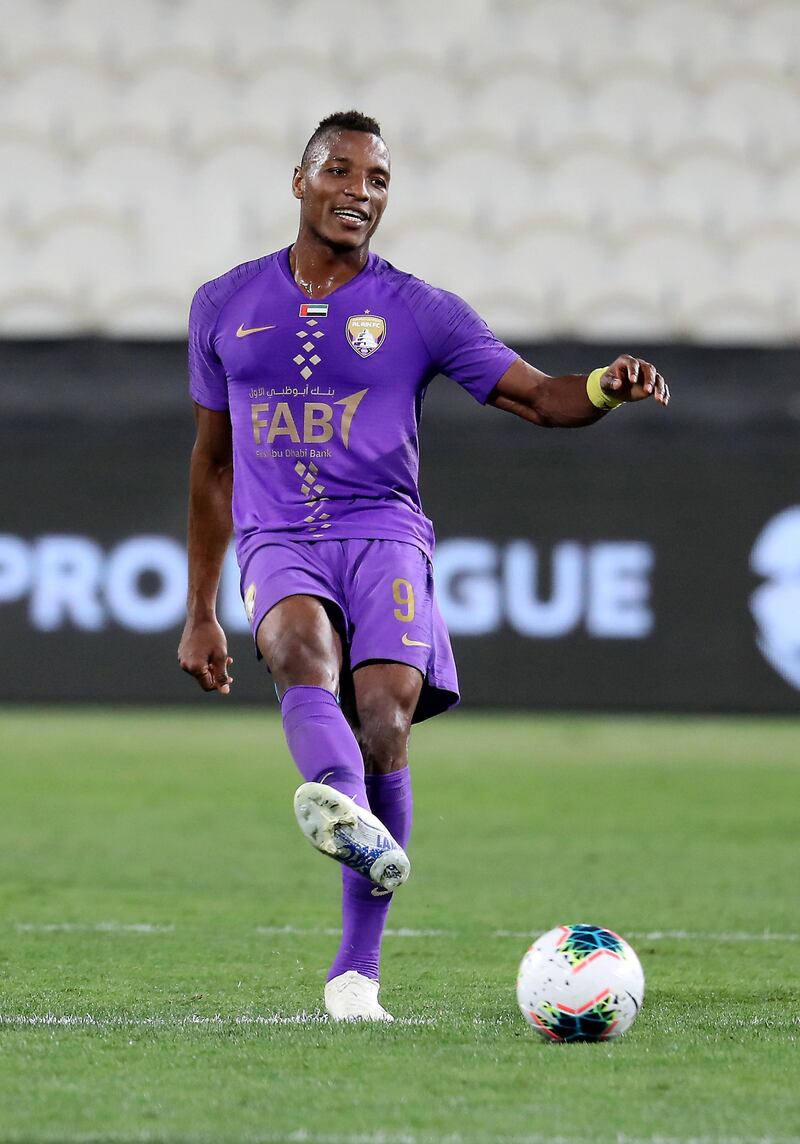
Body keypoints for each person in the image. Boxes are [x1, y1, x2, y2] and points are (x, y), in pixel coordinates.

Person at [178, 110, 670, 1022]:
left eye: (378, 181)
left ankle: (355, 971)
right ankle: (341, 809)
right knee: (293, 647)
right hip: (278, 531)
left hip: (385, 531)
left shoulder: (418, 308)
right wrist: (202, 606)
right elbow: (212, 465)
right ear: (298, 180)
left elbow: (539, 399)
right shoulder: (224, 304)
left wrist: (605, 385)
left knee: (384, 719)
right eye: (340, 172)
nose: (359, 193)